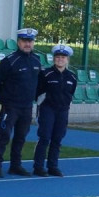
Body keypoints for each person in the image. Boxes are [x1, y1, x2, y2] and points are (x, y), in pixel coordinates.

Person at [0, 27, 42, 177]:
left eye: (30, 41)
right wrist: (5, 99)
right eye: (25, 41)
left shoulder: (36, 60)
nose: (28, 44)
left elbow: (37, 83)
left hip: (27, 107)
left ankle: (15, 165)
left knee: (21, 137)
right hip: (10, 107)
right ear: (19, 42)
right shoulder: (10, 61)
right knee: (4, 135)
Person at [33, 44, 78, 176]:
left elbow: (71, 93)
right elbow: (38, 92)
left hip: (63, 111)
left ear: (67, 59)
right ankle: (38, 167)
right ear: (53, 59)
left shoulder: (72, 77)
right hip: (48, 109)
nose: (60, 59)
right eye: (57, 57)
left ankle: (53, 166)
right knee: (45, 137)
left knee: (57, 139)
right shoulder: (46, 74)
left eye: (63, 57)